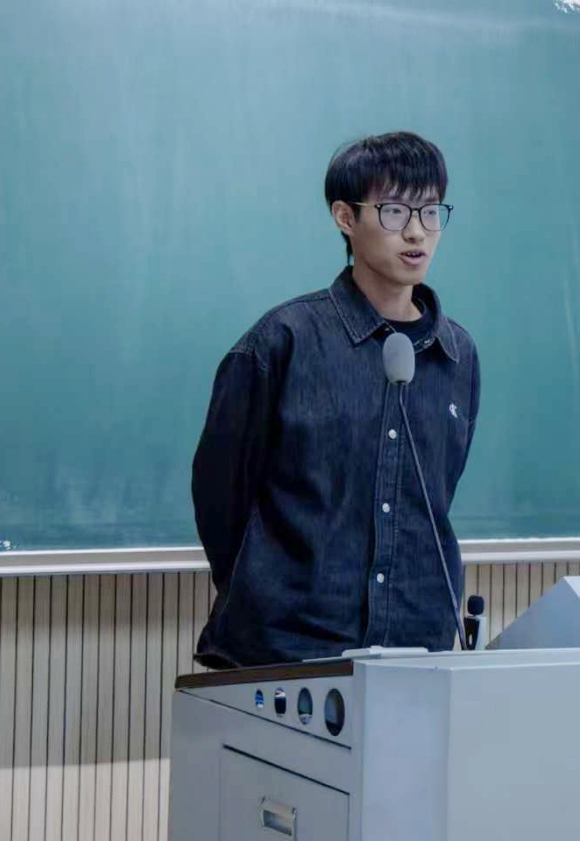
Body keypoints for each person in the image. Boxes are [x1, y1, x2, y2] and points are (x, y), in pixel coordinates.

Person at [190, 131, 480, 668]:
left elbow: (440, 491)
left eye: (430, 211)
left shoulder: (456, 354)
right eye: (394, 211)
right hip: (287, 649)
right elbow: (220, 496)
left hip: (419, 645)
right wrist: (272, 592)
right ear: (345, 217)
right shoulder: (283, 341)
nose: (416, 231)